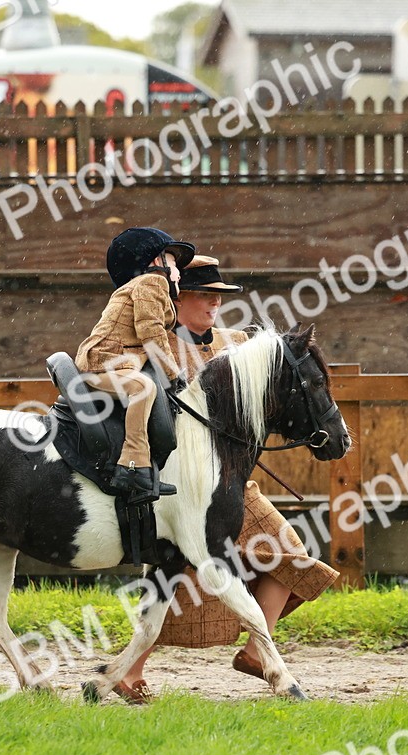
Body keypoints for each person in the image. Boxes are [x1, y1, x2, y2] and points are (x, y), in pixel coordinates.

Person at [111, 255, 341, 704]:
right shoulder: (152, 350)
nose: (214, 304)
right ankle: (129, 671)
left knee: (290, 555)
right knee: (173, 578)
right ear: (176, 300)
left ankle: (258, 651)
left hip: (235, 484)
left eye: (219, 296)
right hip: (181, 490)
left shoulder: (235, 343)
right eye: (204, 295)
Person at [75, 227, 195, 499]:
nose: (179, 272)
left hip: (118, 364)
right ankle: (132, 465)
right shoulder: (151, 282)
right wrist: (174, 376)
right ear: (155, 262)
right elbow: (151, 333)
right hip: (103, 364)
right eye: (174, 263)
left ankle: (150, 465)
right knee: (142, 388)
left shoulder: (146, 285)